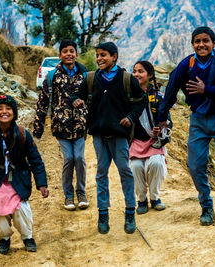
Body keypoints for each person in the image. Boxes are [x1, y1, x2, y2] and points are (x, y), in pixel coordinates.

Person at [158, 26, 215, 226]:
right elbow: (171, 89)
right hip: (198, 121)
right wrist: (162, 114)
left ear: (213, 43)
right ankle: (206, 206)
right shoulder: (186, 65)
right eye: (197, 41)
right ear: (193, 44)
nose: (201, 44)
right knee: (195, 166)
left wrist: (206, 89)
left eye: (206, 41)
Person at [72, 42, 147, 234]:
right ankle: (103, 213)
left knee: (125, 171)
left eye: (103, 55)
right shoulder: (90, 78)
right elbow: (76, 94)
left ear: (114, 57)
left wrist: (130, 117)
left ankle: (130, 211)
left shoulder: (127, 79)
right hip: (98, 134)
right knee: (101, 172)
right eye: (97, 55)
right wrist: (76, 100)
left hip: (120, 135)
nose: (99, 59)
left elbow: (141, 101)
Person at [0, 95, 49, 255]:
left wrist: (42, 184)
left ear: (14, 113)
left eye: (8, 109)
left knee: (21, 209)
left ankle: (27, 237)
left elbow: (35, 160)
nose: (4, 112)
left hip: (19, 177)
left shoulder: (23, 134)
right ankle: (4, 239)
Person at [33, 40, 89, 211]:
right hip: (61, 126)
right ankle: (69, 195)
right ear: (60, 55)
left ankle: (81, 192)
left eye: (72, 51)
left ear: (76, 54)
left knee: (79, 158)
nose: (69, 54)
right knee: (69, 159)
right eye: (65, 51)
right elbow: (42, 103)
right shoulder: (53, 77)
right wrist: (38, 126)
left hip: (80, 126)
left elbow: (92, 100)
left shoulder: (85, 75)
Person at [130, 60, 173, 214]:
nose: (136, 74)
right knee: (135, 167)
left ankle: (155, 198)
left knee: (156, 164)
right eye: (134, 71)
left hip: (155, 143)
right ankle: (141, 200)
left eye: (140, 71)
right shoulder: (128, 97)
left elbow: (168, 121)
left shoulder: (158, 98)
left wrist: (162, 127)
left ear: (150, 75)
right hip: (135, 142)